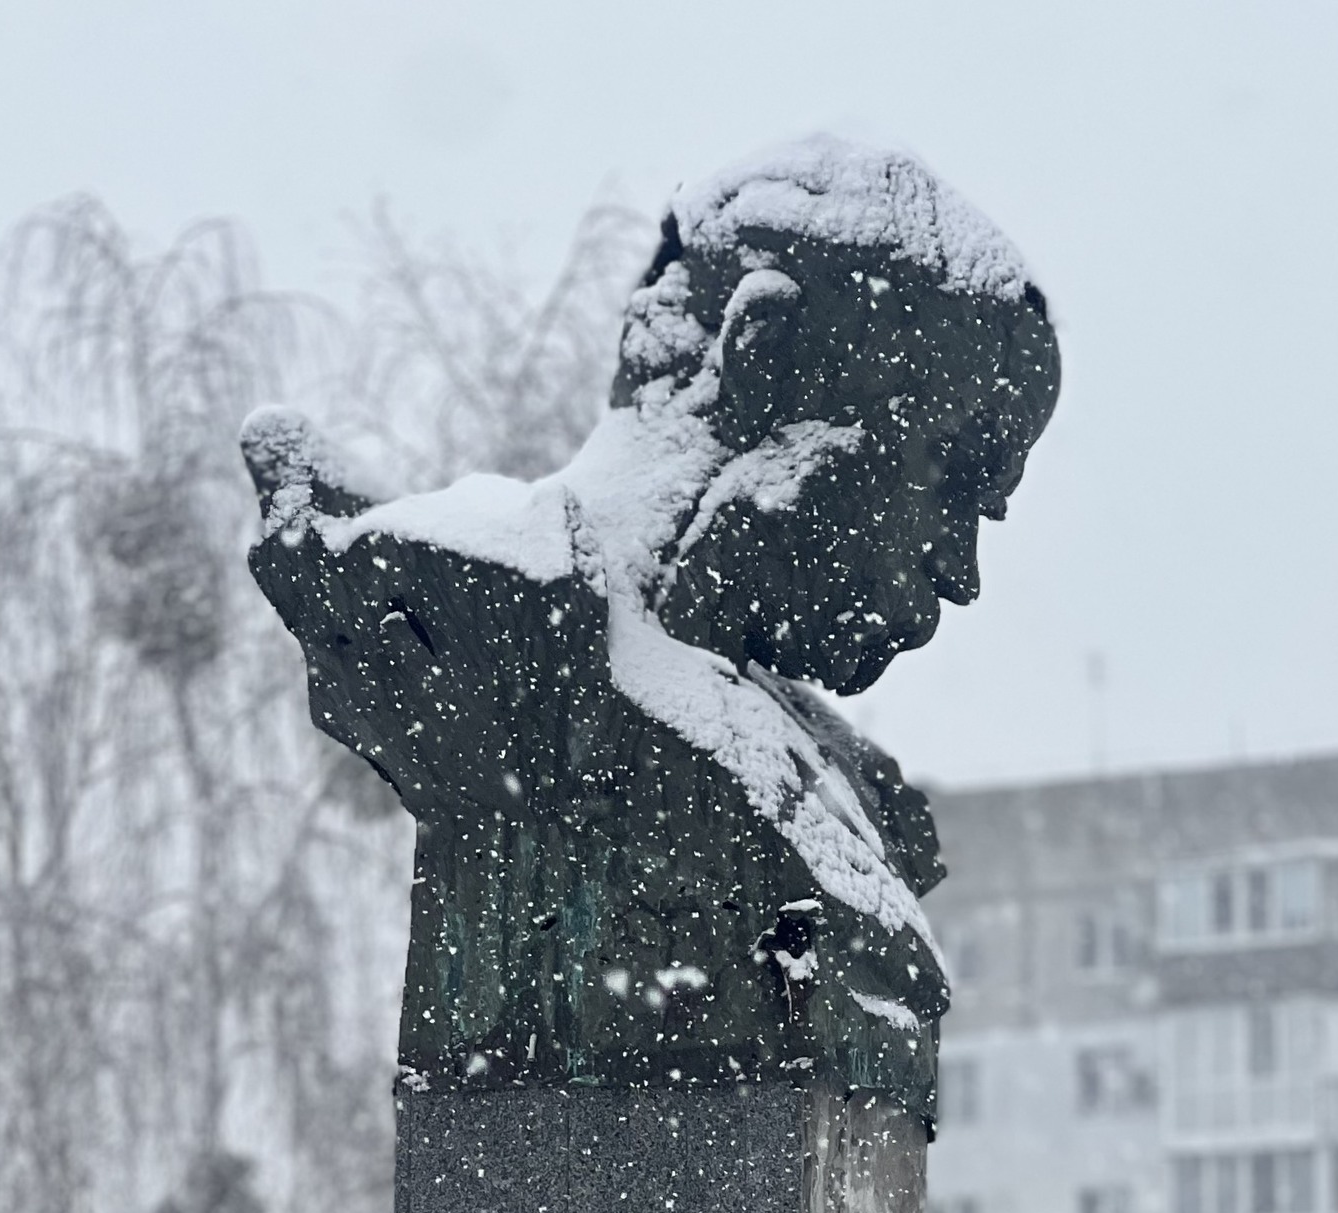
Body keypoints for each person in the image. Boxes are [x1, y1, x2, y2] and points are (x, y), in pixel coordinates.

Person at [243, 136, 1059, 1124]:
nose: (958, 571)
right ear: (760, 358)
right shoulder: (488, 637)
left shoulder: (861, 790)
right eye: (945, 478)